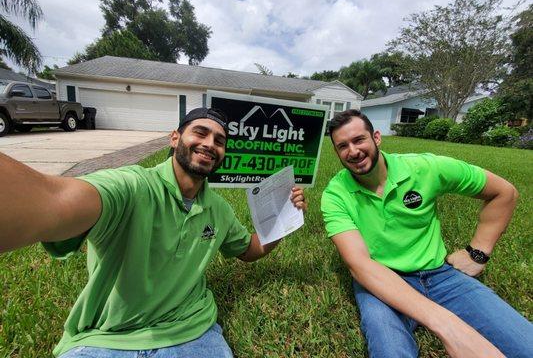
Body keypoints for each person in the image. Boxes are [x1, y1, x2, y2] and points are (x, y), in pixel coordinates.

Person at [0, 107, 307, 358]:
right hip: (108, 340)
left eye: (219, 140)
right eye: (200, 132)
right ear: (175, 138)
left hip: (193, 334)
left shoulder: (220, 210)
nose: (210, 144)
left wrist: (283, 218)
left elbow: (250, 251)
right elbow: (53, 200)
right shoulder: (132, 186)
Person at [321, 109, 533, 358]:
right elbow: (360, 265)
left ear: (376, 137)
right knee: (390, 352)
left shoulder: (424, 167)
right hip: (382, 281)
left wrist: (478, 252)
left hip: (441, 276)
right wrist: (448, 326)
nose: (353, 151)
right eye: (343, 146)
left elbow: (504, 192)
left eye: (359, 140)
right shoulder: (335, 195)